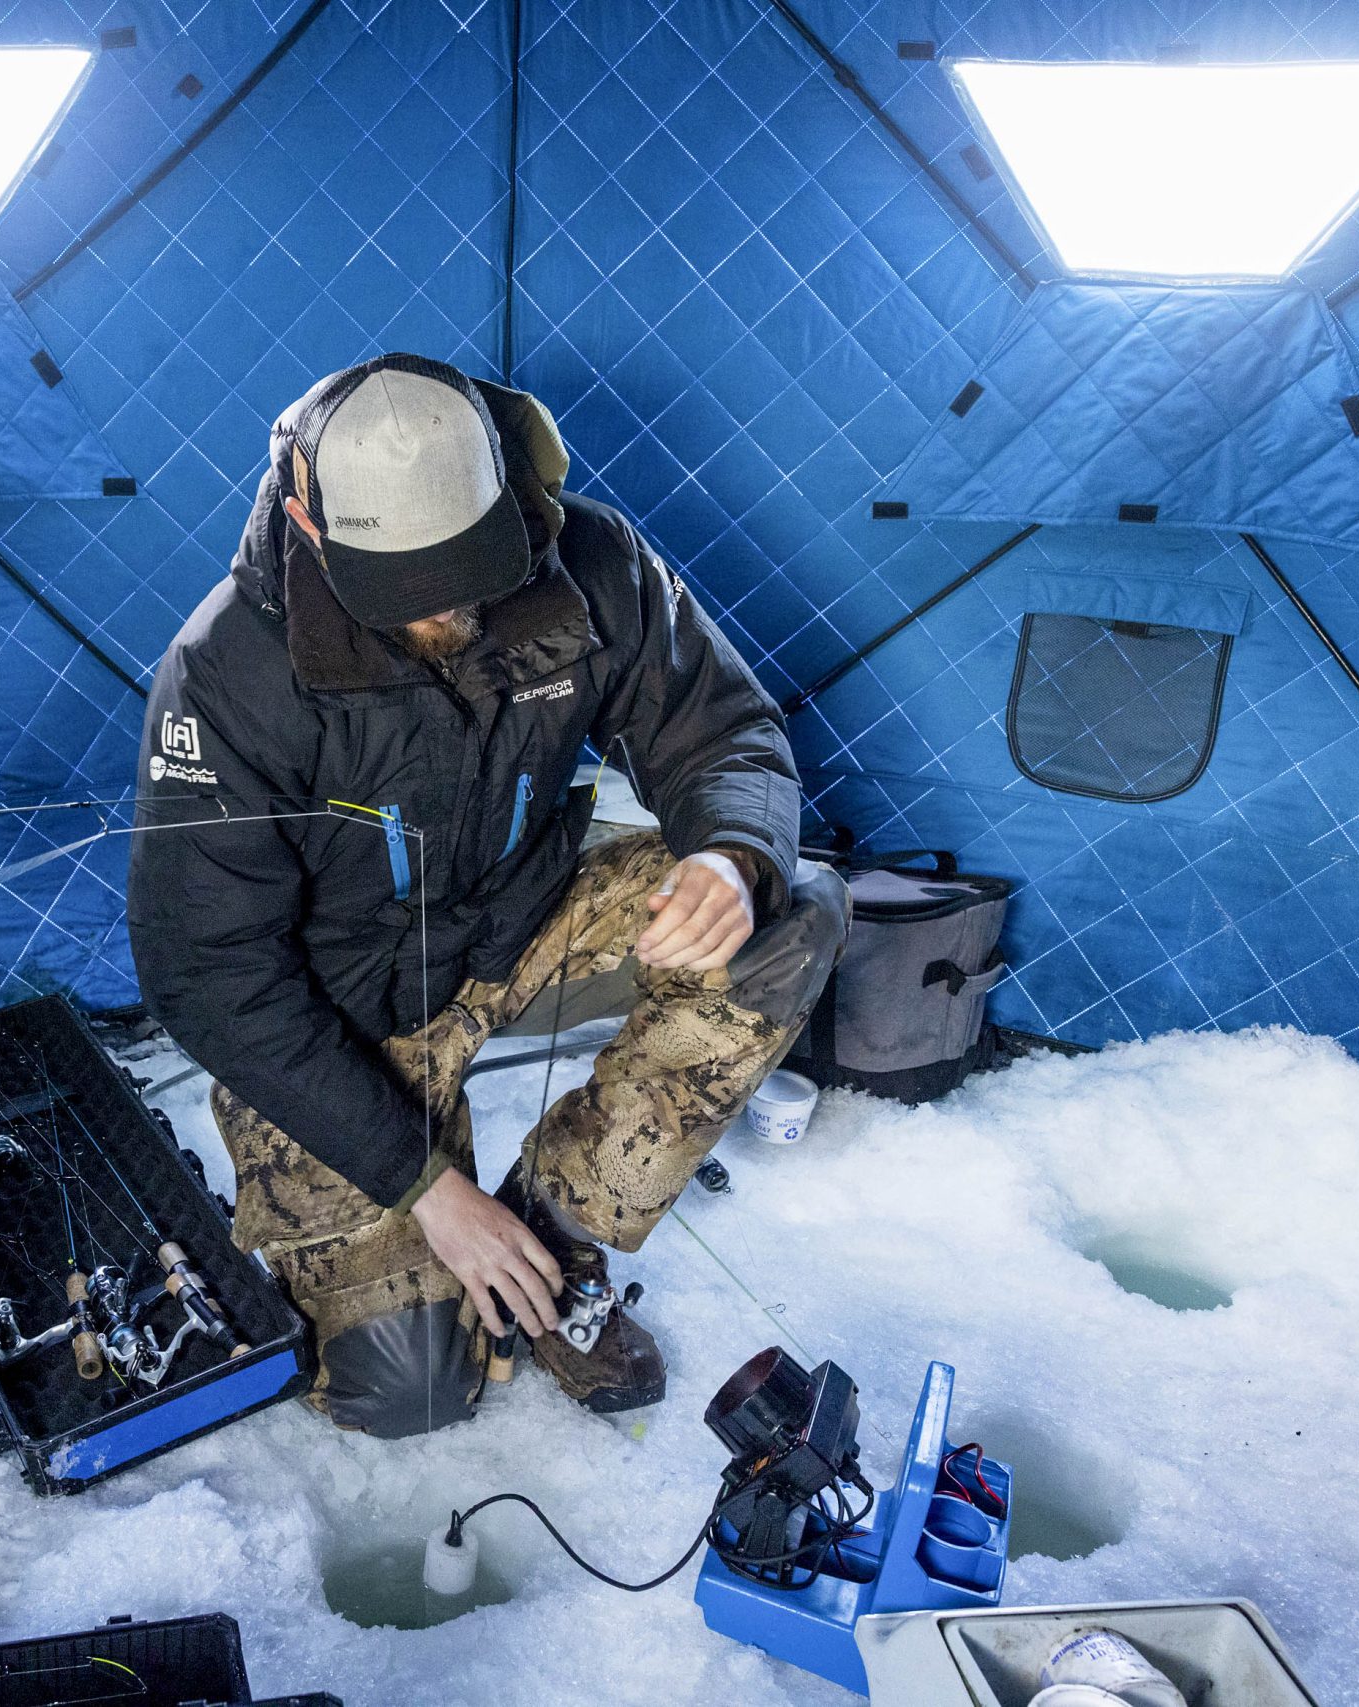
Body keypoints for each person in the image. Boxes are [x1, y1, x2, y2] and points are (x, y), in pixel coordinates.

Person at [127, 354, 848, 1436]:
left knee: (786, 918)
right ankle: (448, 1233)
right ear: (314, 529)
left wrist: (732, 856)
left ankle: (552, 1228)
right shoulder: (226, 669)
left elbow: (723, 732)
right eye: (409, 596)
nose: (451, 610)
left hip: (523, 925)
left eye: (471, 569)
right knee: (408, 1391)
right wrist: (427, 1189)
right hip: (342, 1014)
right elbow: (208, 975)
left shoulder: (593, 560)